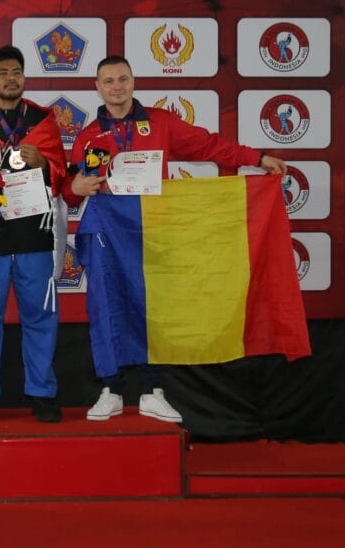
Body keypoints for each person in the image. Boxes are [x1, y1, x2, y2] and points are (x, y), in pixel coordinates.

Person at [62, 56, 286, 423]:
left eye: (122, 79)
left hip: (156, 230)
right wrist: (76, 187)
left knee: (157, 309)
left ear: (133, 82)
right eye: (108, 81)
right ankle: (111, 390)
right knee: (106, 307)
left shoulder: (161, 122)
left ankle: (153, 391)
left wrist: (257, 158)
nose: (116, 86)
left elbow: (209, 146)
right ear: (97, 87)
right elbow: (70, 193)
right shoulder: (89, 137)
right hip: (108, 235)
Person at [0, 45, 68, 423]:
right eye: (2, 73)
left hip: (35, 233)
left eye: (16, 71)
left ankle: (42, 393)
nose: (11, 78)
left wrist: (44, 163)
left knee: (40, 317)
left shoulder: (43, 121)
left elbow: (61, 174)